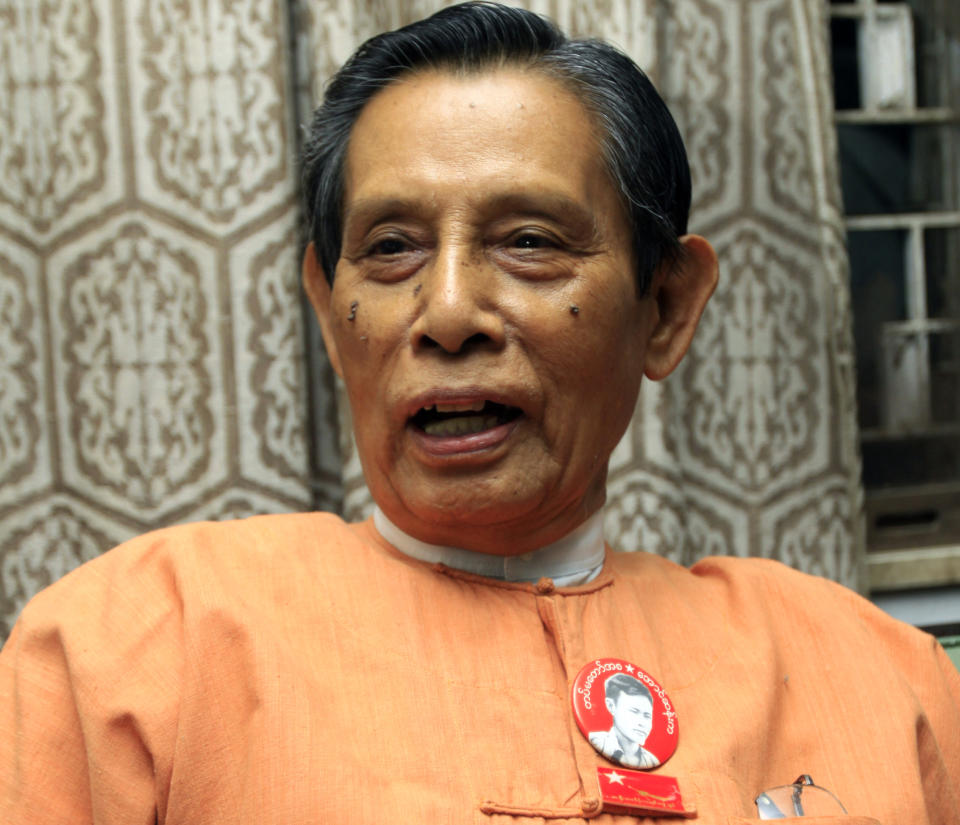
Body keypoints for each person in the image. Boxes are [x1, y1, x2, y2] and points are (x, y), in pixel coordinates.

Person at [1, 3, 958, 823]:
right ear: (330, 312)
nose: (450, 312)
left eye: (530, 240)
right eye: (390, 249)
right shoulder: (128, 654)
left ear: (665, 307)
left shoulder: (877, 677)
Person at [588, 674, 660, 769]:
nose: (642, 723)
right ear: (611, 706)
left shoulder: (652, 761)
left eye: (647, 716)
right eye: (634, 711)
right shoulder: (595, 741)